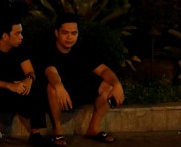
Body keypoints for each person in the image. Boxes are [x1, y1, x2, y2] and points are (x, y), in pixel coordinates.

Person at [43, 13, 125, 146]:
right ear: (57, 33)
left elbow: (103, 70)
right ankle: (57, 131)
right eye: (65, 33)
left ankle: (93, 128)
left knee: (109, 86)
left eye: (73, 33)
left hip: (79, 90)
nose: (70, 37)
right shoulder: (49, 49)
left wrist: (117, 84)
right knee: (52, 87)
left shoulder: (82, 48)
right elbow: (51, 72)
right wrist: (59, 87)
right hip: (59, 94)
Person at [0, 15, 48, 147]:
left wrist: (29, 80)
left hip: (16, 87)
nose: (21, 37)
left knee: (36, 87)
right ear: (5, 36)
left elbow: (30, 72)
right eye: (17, 33)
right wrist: (7, 85)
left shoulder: (20, 47)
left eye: (21, 33)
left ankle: (36, 134)